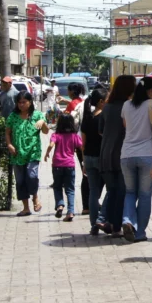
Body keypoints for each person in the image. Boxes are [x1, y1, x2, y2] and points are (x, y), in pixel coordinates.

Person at [120, 77, 152, 243]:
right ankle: (140, 233)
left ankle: (127, 220)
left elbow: (126, 125)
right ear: (151, 91)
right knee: (145, 195)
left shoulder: (126, 105)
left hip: (126, 155)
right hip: (147, 155)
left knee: (130, 192)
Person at [97, 75, 136, 237]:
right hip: (122, 154)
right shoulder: (129, 106)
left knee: (112, 190)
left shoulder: (107, 107)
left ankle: (108, 222)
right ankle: (115, 225)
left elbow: (100, 130)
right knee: (121, 192)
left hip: (106, 154)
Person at [6, 91, 49, 216]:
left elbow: (46, 132)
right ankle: (26, 208)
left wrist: (43, 123)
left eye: (24, 102)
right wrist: (9, 144)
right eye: (19, 102)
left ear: (30, 102)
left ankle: (35, 197)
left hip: (33, 152)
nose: (21, 105)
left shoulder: (37, 115)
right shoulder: (13, 116)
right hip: (17, 153)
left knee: (31, 176)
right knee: (20, 181)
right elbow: (7, 132)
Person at [81, 88, 109, 235]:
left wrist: (84, 162)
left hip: (89, 158)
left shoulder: (87, 117)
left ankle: (93, 226)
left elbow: (83, 144)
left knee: (93, 192)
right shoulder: (104, 118)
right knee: (112, 189)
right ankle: (102, 218)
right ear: (101, 102)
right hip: (102, 159)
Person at [44, 114, 83, 222]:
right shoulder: (74, 136)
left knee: (57, 186)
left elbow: (51, 145)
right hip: (70, 165)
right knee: (70, 189)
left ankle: (60, 205)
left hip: (57, 164)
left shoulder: (56, 135)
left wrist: (47, 153)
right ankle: (70, 212)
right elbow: (81, 148)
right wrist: (83, 161)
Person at [65, 83, 88, 215]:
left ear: (72, 91)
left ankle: (87, 204)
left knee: (86, 172)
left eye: (68, 90)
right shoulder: (82, 102)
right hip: (84, 142)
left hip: (79, 142)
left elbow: (67, 123)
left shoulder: (73, 104)